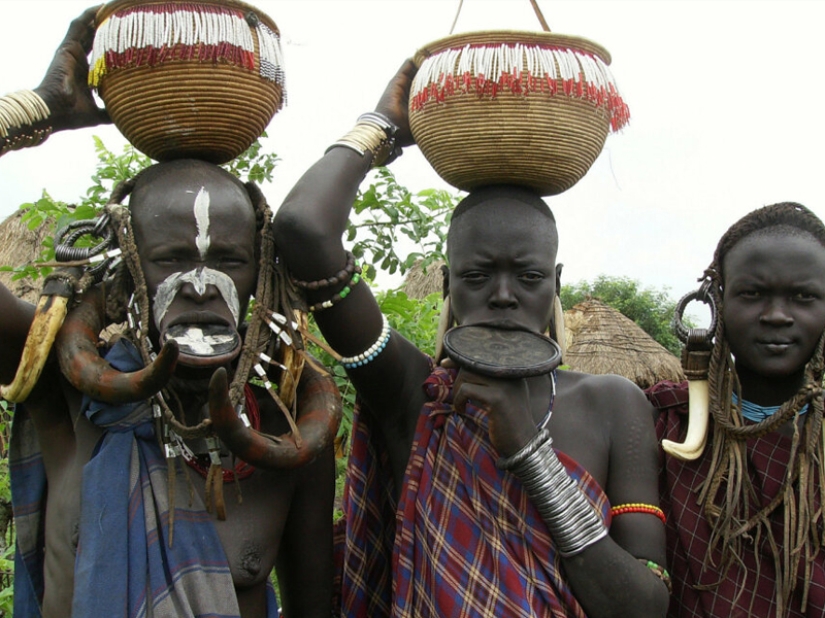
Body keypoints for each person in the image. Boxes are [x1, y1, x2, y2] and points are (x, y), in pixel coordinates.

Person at [274, 60, 670, 617]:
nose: (503, 296)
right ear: (448, 285)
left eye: (528, 278)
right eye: (478, 277)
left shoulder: (611, 403)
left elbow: (646, 605)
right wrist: (380, 126)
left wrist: (531, 456)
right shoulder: (413, 394)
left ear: (555, 283)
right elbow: (302, 230)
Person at [1, 8, 337, 617]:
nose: (203, 285)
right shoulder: (67, 395)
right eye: (170, 258)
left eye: (228, 261)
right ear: (127, 275)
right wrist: (39, 110)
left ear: (261, 279)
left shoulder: (287, 437)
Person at [648, 202, 825, 617]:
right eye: (752, 294)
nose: (777, 316)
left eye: (804, 297)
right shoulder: (668, 422)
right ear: (716, 301)